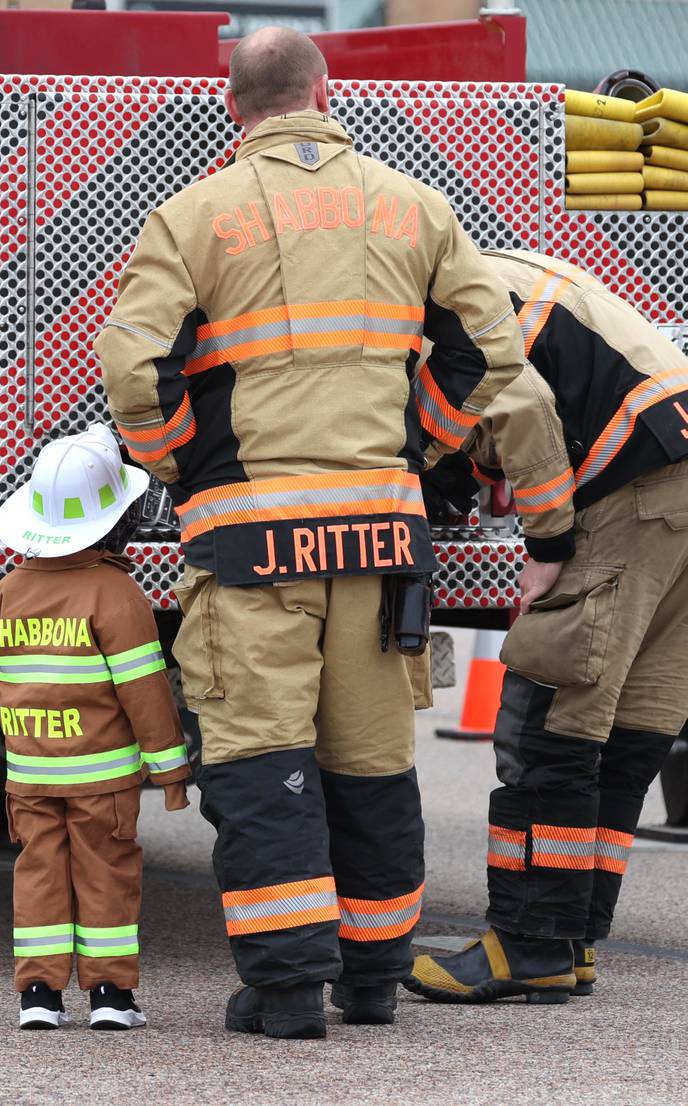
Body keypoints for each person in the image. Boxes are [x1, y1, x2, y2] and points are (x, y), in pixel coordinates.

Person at [95, 27, 523, 1039]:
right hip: (378, 543)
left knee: (259, 760)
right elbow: (489, 343)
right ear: (325, 92)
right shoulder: (410, 202)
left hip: (251, 547)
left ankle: (286, 989)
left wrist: (178, 462)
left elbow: (131, 365)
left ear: (230, 102)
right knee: (371, 758)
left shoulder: (191, 215)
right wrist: (419, 442)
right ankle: (371, 976)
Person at [406, 248, 688, 1004]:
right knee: (625, 731)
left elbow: (520, 411)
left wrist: (548, 545)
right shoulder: (495, 269)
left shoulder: (430, 305)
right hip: (674, 476)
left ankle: (525, 946)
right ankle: (571, 940)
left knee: (547, 721)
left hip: (629, 488)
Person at [0, 424, 190, 1030]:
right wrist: (172, 770)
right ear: (115, 519)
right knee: (107, 876)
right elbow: (145, 691)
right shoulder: (118, 594)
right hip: (105, 784)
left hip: (28, 782)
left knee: (39, 876)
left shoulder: (5, 594)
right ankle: (110, 997)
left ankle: (40, 998)